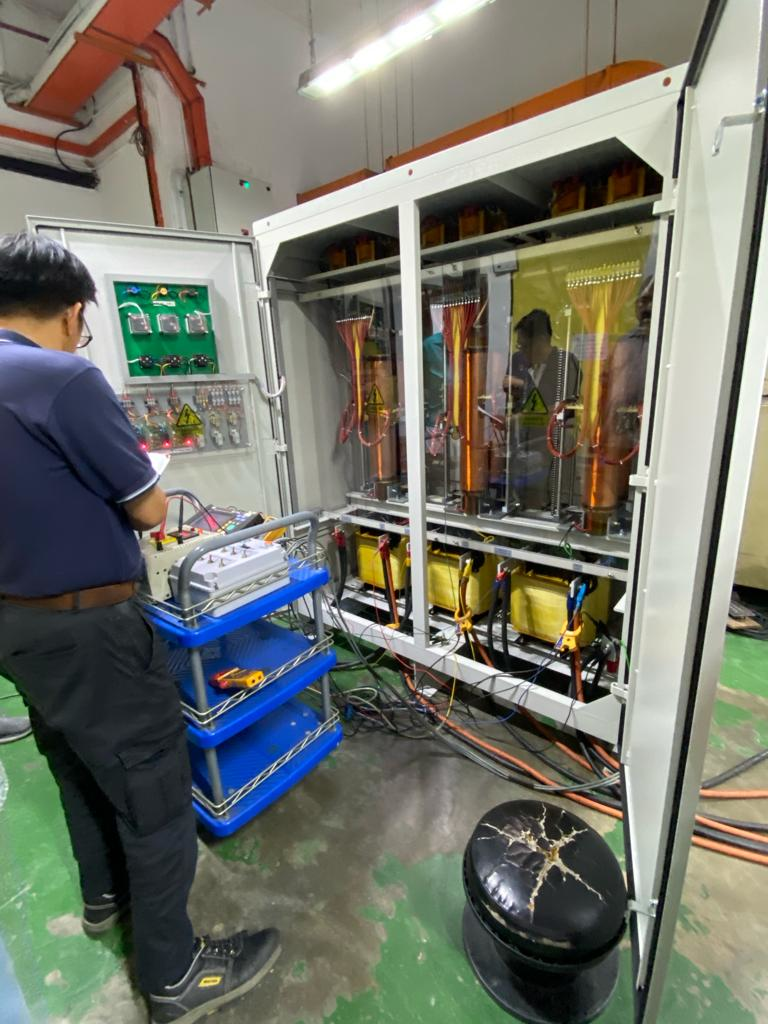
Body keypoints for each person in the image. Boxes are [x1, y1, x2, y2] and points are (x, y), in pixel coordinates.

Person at [0, 233, 280, 1023]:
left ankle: (103, 901)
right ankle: (175, 977)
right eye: (82, 325)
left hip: (17, 630)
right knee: (155, 796)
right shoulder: (61, 378)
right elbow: (151, 508)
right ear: (72, 311)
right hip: (91, 627)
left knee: (78, 764)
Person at [503, 308, 580, 510]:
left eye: (525, 346)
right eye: (520, 346)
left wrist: (517, 419)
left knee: (550, 500)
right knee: (528, 500)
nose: (522, 351)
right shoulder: (530, 366)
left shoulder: (565, 363)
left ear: (542, 339)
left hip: (555, 446)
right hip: (530, 446)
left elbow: (562, 408)